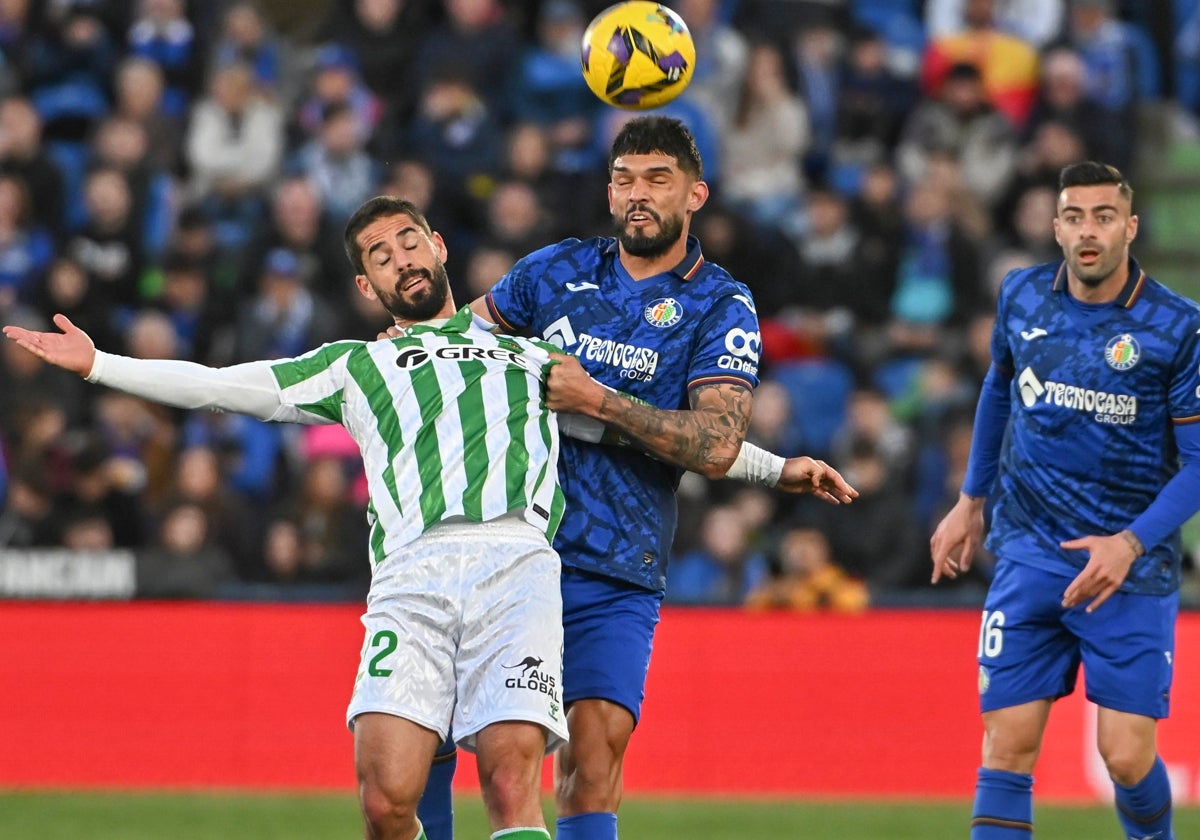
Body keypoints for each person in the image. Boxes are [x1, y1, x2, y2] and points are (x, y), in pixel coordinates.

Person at [4, 196, 575, 840]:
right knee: (386, 801)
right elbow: (218, 384)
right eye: (380, 257)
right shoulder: (355, 365)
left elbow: (638, 425)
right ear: (367, 286)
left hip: (515, 562)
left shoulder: (538, 360)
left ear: (439, 246)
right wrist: (102, 364)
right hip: (412, 576)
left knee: (509, 784)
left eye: (409, 242)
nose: (402, 261)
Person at [412, 115, 858, 840]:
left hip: (618, 562)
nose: (638, 195)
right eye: (624, 179)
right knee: (474, 749)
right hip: (511, 548)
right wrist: (408, 342)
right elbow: (459, 354)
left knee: (592, 768)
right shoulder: (552, 271)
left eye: (658, 180)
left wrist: (600, 402)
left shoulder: (719, 303)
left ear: (696, 194)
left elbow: (715, 441)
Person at [930, 161, 1200, 840]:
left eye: (1104, 216)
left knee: (1127, 756)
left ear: (1130, 227)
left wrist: (1130, 542)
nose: (1089, 231)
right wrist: (970, 499)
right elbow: (999, 388)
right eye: (1074, 216)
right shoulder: (1021, 296)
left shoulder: (1177, 327)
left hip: (1129, 570)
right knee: (1006, 746)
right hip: (1029, 551)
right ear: (1055, 228)